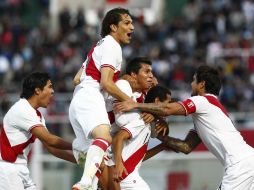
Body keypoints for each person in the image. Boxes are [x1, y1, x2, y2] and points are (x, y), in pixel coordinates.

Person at [114, 65, 254, 190]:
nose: (191, 84)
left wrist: (135, 105)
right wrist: (160, 135)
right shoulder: (207, 115)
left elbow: (167, 109)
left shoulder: (202, 101)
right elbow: (186, 147)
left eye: (194, 80)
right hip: (247, 161)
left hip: (239, 165)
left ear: (202, 84)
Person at [69, 7, 134, 190]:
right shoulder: (112, 45)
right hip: (90, 95)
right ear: (113, 27)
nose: (132, 27)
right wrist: (130, 101)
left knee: (100, 155)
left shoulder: (98, 46)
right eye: (127, 23)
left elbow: (75, 78)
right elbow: (106, 83)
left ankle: (89, 181)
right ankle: (85, 182)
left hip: (78, 100)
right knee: (105, 137)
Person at [0, 72, 76, 190]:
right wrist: (77, 146)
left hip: (19, 169)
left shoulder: (36, 114)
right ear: (37, 90)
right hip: (8, 171)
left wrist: (78, 160)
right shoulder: (23, 110)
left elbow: (51, 148)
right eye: (50, 86)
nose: (53, 91)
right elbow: (50, 140)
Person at [109, 85, 171, 190]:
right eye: (168, 103)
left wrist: (162, 147)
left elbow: (139, 158)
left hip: (125, 176)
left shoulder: (148, 123)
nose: (170, 107)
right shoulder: (141, 120)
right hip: (125, 177)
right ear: (157, 101)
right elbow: (118, 138)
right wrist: (119, 164)